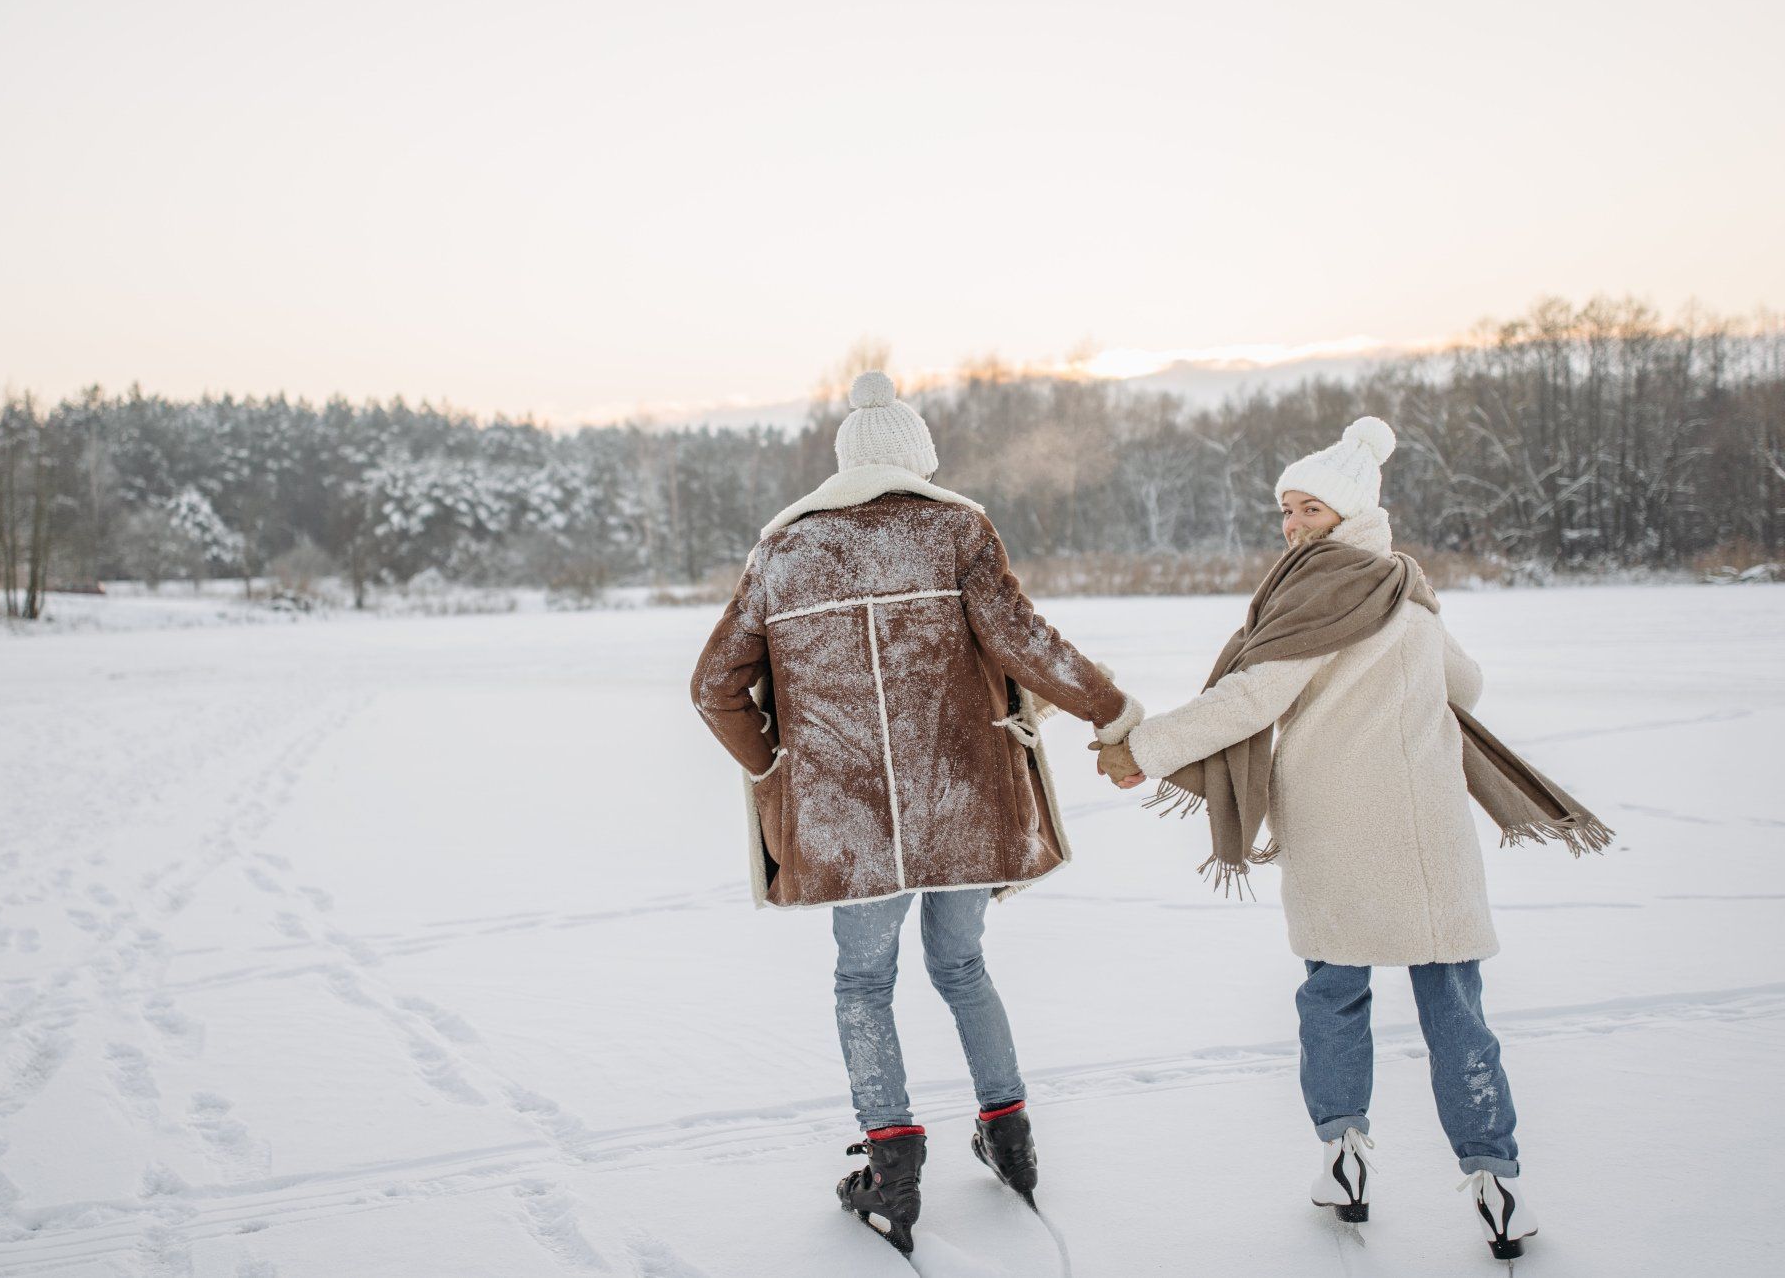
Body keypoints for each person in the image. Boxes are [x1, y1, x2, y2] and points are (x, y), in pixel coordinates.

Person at [1095, 417, 1611, 1264]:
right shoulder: (1402, 586)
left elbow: (1251, 699)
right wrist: (1418, 638)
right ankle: (1498, 1184)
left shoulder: (1320, 591)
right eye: (1285, 510)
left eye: (1307, 509)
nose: (1291, 525)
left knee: (1335, 996)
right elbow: (1468, 687)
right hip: (1431, 833)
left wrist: (1142, 751)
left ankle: (1344, 1159)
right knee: (1455, 1010)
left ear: (1347, 513)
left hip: (1340, 831)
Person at [690, 371, 1141, 1254]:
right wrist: (1110, 708)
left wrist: (774, 763)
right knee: (962, 964)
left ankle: (892, 1167)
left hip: (846, 821)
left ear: (844, 463)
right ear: (920, 459)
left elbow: (713, 687)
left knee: (864, 982)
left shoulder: (782, 552)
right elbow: (1024, 643)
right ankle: (1010, 1137)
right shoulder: (956, 530)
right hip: (963, 801)